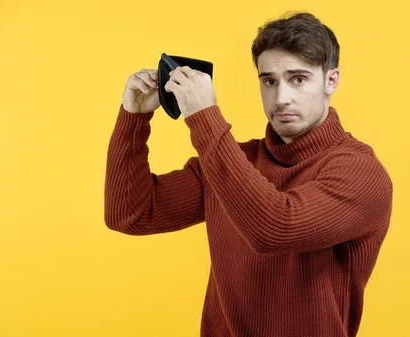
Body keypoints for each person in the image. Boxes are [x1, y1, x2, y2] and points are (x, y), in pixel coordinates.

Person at [104, 11, 393, 337]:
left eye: (298, 79)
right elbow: (129, 214)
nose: (282, 98)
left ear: (331, 80)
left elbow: (275, 229)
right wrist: (133, 116)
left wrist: (204, 118)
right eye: (269, 81)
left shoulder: (360, 172)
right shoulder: (232, 160)